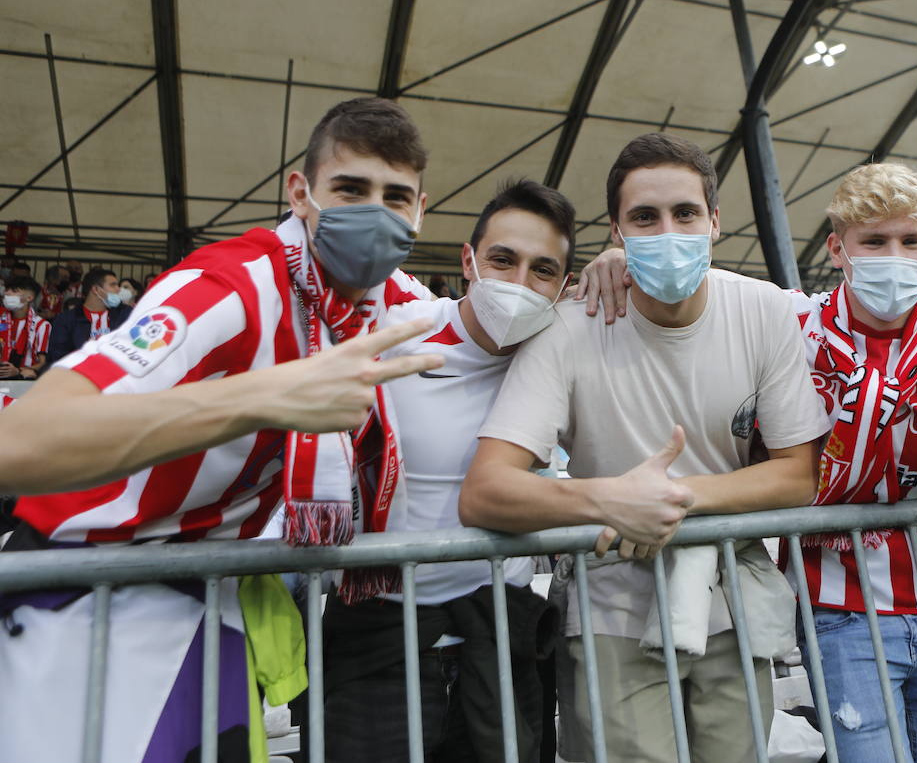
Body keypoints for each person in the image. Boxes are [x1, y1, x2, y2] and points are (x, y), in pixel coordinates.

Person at [571, 163, 917, 762]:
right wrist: (619, 261)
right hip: (836, 615)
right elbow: (688, 279)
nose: (894, 256)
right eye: (874, 241)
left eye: (910, 241)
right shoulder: (791, 320)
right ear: (837, 247)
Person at [0, 97, 444, 762]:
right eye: (350, 191)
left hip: (211, 609)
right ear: (300, 194)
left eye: (395, 198)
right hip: (86, 607)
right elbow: (19, 444)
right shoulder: (228, 286)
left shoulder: (395, 301)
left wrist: (612, 271)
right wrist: (258, 397)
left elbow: (500, 325)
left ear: (418, 211)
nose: (374, 216)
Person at [461, 133, 835, 763]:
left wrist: (669, 499)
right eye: (645, 217)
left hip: (732, 599)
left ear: (714, 222)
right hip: (613, 608)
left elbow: (799, 475)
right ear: (618, 231)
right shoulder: (568, 329)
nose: (667, 231)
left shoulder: (764, 310)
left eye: (685, 213)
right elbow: (486, 490)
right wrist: (608, 500)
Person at [321, 179, 575, 763]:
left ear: (563, 286)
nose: (518, 284)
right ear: (468, 261)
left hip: (501, 643)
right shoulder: (394, 333)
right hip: (379, 642)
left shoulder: (564, 352)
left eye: (542, 270)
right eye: (502, 260)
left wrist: (618, 262)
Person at [44, 268, 133, 365]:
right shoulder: (66, 320)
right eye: (113, 285)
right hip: (79, 375)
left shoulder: (125, 314)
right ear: (96, 290)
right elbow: (58, 357)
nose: (118, 289)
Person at [1, 276, 51, 380]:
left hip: (24, 381)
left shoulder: (41, 325)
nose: (7, 293)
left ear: (29, 298)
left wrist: (17, 371)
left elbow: (43, 363)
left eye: (14, 291)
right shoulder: (1, 319)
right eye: (7, 289)